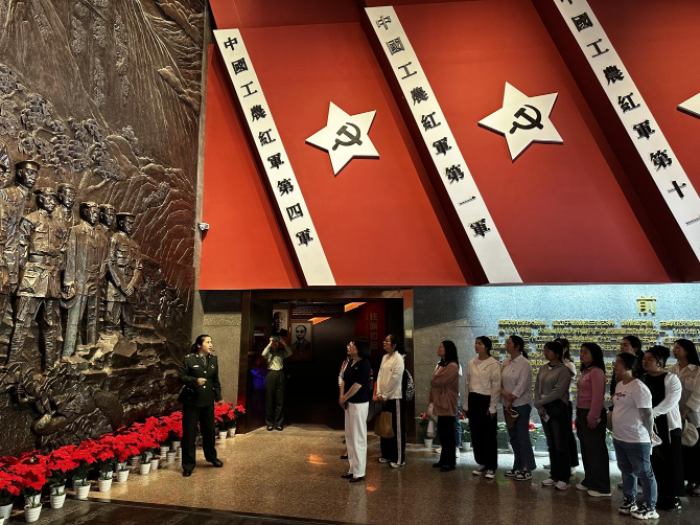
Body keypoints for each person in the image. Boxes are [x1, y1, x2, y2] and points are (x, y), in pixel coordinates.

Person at [612, 352, 658, 520]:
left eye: (619, 362)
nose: (615, 365)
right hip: (620, 437)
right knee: (626, 471)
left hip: (636, 438)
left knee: (644, 473)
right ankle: (630, 500)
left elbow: (647, 414)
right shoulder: (620, 384)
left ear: (629, 366)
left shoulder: (638, 387)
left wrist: (650, 433)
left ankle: (650, 506)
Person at [642, 346, 684, 511]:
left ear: (660, 362)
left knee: (671, 462)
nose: (645, 361)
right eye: (644, 358)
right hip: (648, 426)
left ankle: (672, 497)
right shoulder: (642, 378)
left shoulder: (671, 378)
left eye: (650, 359)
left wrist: (652, 413)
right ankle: (656, 494)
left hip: (668, 426)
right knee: (654, 462)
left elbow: (671, 401)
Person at [177, 334, 223, 477]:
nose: (211, 344)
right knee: (189, 434)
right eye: (208, 342)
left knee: (209, 432)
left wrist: (218, 397)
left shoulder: (213, 359)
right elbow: (181, 377)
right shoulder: (189, 359)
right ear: (199, 345)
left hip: (208, 402)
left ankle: (211, 457)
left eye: (211, 342)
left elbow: (215, 381)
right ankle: (188, 465)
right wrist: (194, 381)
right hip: (192, 402)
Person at [535, 340, 572, 491]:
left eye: (548, 350)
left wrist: (540, 402)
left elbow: (558, 392)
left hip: (557, 408)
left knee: (560, 444)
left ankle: (564, 477)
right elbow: (537, 387)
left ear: (557, 353)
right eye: (544, 350)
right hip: (544, 408)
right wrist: (539, 403)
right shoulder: (543, 368)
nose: (545, 353)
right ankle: (554, 475)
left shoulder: (563, 371)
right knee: (551, 443)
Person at [575, 342, 610, 497]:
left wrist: (592, 416)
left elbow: (597, 397)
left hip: (592, 414)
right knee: (587, 450)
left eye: (586, 352)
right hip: (583, 413)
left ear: (594, 355)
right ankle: (590, 480)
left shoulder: (596, 372)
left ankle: (601, 486)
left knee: (596, 451)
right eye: (581, 351)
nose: (582, 355)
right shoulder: (585, 371)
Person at [463, 336, 500, 479]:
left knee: (489, 435)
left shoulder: (493, 364)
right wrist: (466, 404)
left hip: (486, 401)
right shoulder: (471, 363)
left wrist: (492, 406)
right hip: (473, 400)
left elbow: (496, 386)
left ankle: (491, 466)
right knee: (476, 434)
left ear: (487, 347)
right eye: (476, 343)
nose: (476, 346)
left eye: (480, 344)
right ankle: (482, 462)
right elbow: (467, 384)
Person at [501, 335, 536, 481]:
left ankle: (527, 468)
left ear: (517, 346)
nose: (506, 345)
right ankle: (517, 466)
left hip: (521, 405)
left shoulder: (524, 363)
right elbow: (499, 381)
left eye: (508, 343)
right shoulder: (505, 362)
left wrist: (511, 398)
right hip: (507, 405)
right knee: (513, 437)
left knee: (522, 436)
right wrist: (505, 395)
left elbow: (522, 385)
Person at [668, 338, 700, 497]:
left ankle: (698, 482)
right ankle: (688, 480)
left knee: (696, 450)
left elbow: (698, 394)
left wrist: (685, 410)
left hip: (693, 417)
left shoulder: (697, 370)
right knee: (682, 451)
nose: (674, 350)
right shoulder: (672, 369)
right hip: (675, 417)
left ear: (687, 350)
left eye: (678, 348)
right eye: (674, 348)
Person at [340, 338, 371, 483]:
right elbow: (344, 380)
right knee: (350, 437)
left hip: (359, 404)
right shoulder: (350, 362)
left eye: (352, 345)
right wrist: (342, 397)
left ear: (359, 349)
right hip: (349, 404)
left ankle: (359, 472)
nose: (349, 346)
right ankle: (352, 469)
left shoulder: (364, 363)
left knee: (358, 437)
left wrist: (345, 397)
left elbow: (358, 385)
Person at [376, 334, 405, 468]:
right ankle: (386, 454)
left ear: (394, 344)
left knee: (395, 428)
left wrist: (385, 395)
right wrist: (378, 393)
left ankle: (399, 458)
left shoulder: (398, 359)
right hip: (383, 398)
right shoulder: (384, 358)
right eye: (384, 340)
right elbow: (379, 376)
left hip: (394, 398)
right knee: (385, 426)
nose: (384, 342)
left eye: (387, 341)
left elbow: (395, 379)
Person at [430, 340, 460, 472]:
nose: (439, 348)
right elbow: (436, 380)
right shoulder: (441, 365)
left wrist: (434, 380)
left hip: (447, 403)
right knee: (442, 432)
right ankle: (443, 459)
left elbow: (440, 380)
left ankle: (450, 461)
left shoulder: (452, 366)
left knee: (448, 433)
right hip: (440, 402)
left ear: (448, 349)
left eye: (441, 347)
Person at [555, 337, 580, 470]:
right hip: (552, 402)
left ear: (564, 349)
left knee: (566, 434)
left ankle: (572, 464)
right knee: (555, 434)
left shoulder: (569, 365)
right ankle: (558, 461)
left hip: (564, 403)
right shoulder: (551, 364)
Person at [262, 333, 292, 431]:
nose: (275, 343)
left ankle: (279, 423)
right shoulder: (269, 353)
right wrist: (270, 343)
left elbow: (290, 352)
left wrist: (283, 343)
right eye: (274, 341)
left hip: (280, 374)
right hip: (271, 373)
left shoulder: (281, 352)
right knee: (269, 400)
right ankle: (269, 423)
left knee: (280, 400)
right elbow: (263, 354)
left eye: (276, 342)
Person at [610, 336, 644, 401]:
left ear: (635, 349)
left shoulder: (641, 365)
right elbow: (613, 384)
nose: (622, 347)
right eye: (621, 345)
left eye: (625, 345)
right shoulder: (618, 364)